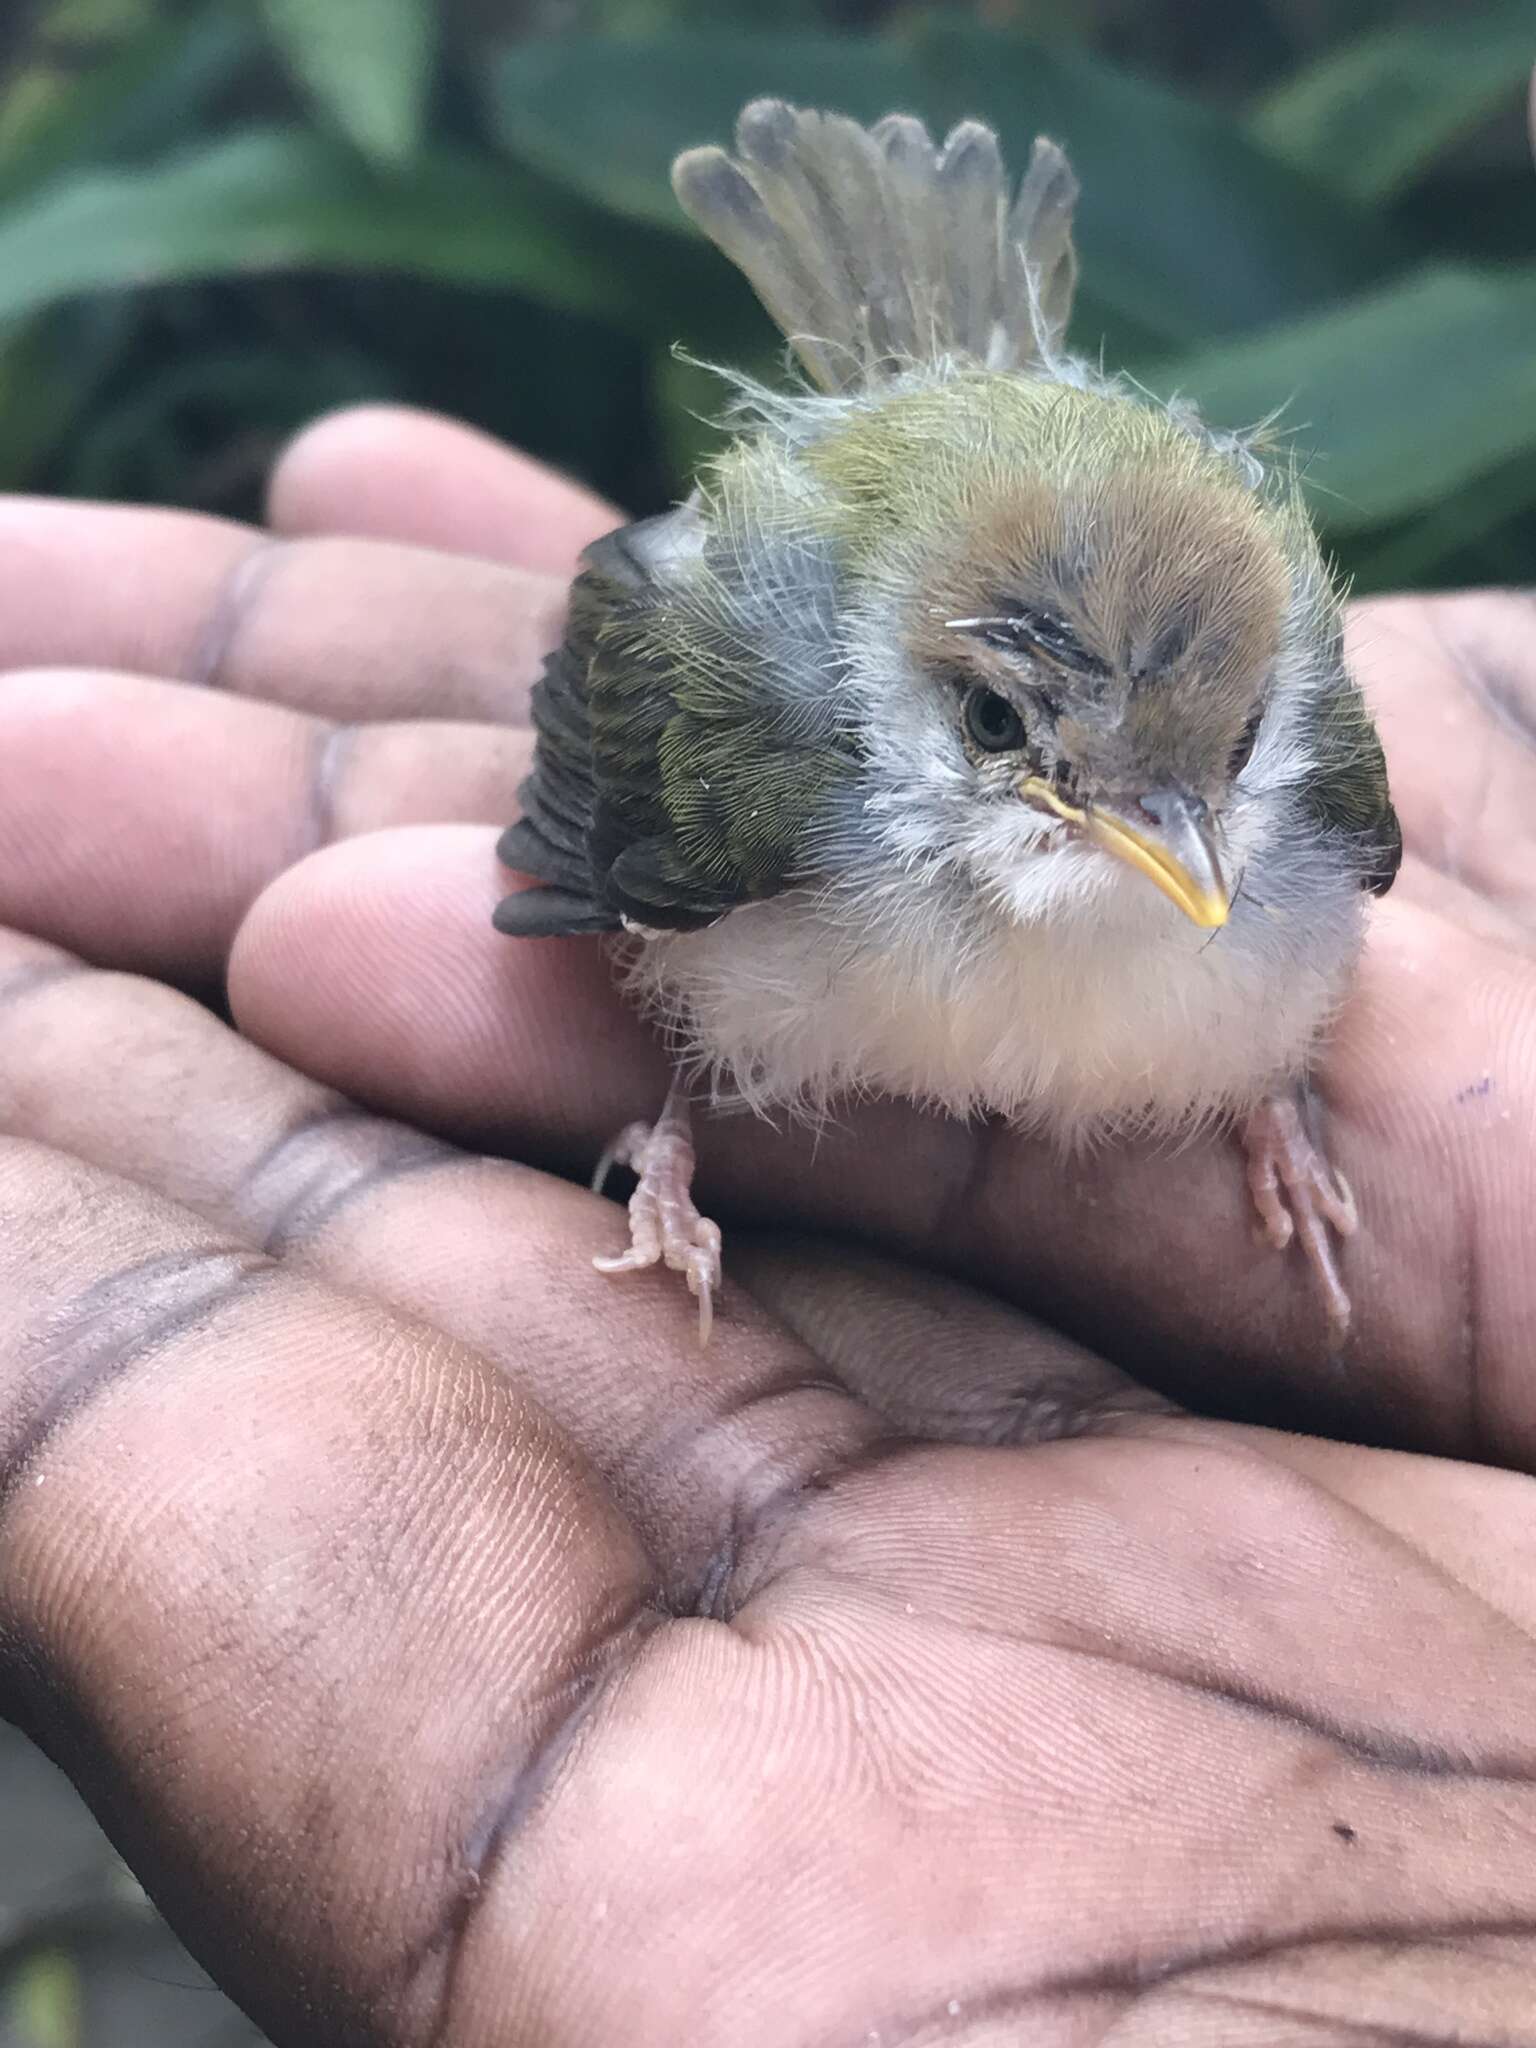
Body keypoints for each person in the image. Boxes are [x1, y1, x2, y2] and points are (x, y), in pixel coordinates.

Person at [0, 404, 1533, 2045]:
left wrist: (1277, 1087)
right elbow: (617, 836)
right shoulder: (769, 744)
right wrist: (674, 1125)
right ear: (934, 689)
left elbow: (1248, 864)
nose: (1175, 845)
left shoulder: (1282, 794)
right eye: (1021, 737)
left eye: (1210, 775)